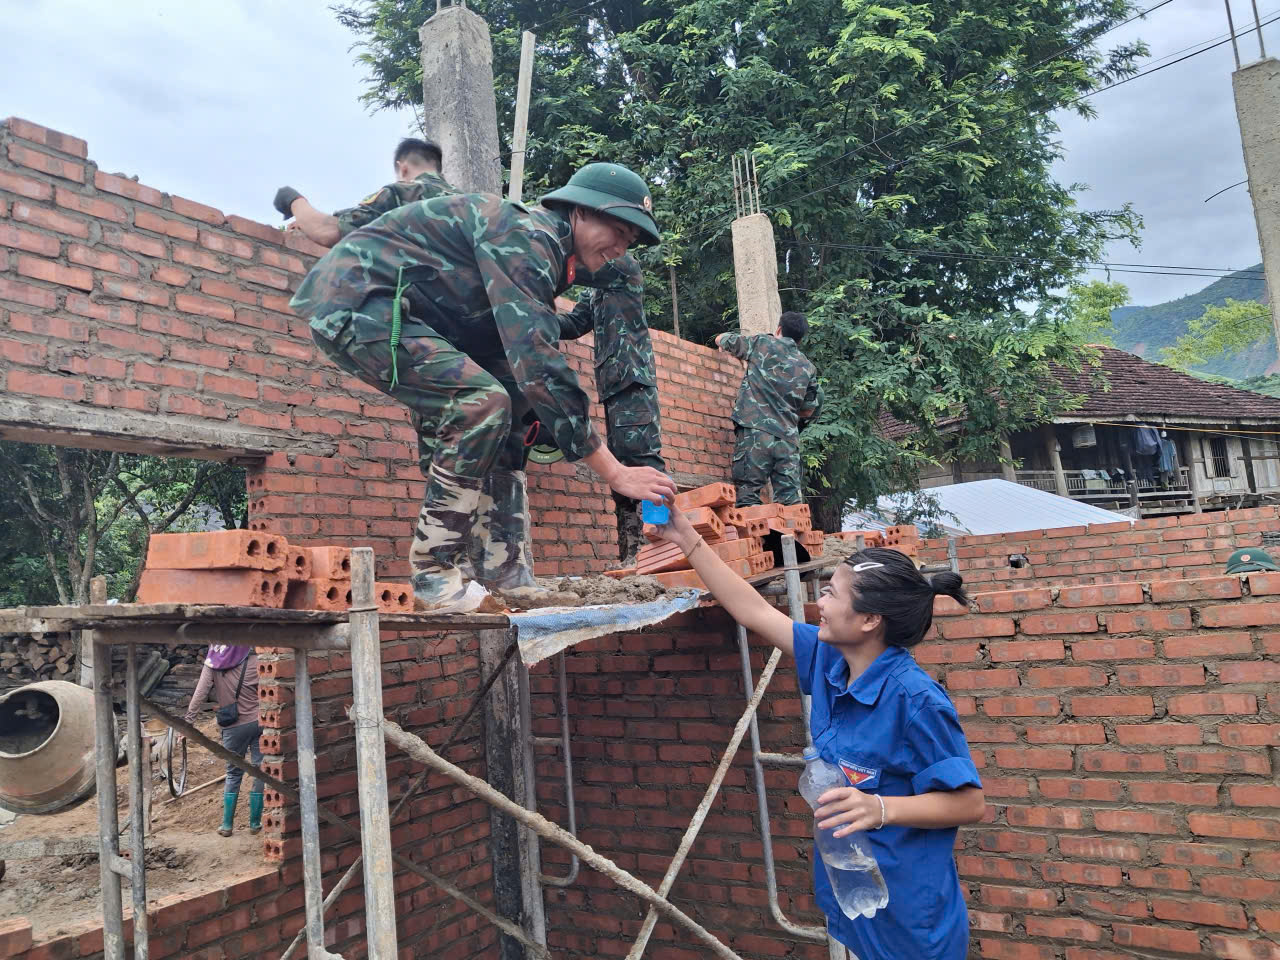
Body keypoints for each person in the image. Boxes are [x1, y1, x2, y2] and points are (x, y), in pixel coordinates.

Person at [289, 162, 677, 611]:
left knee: (510, 408)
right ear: (581, 211)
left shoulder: (552, 252)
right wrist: (616, 471)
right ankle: (433, 575)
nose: (621, 248)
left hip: (427, 320)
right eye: (619, 231)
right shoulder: (526, 234)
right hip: (359, 302)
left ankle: (504, 573)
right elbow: (539, 364)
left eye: (631, 241)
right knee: (480, 402)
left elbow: (534, 353)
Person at [650, 507, 984, 959]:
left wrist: (878, 807)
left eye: (831, 594)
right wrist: (685, 535)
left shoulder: (916, 701)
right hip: (854, 895)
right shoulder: (831, 663)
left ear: (869, 621)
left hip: (910, 919)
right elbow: (751, 609)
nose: (820, 604)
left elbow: (968, 802)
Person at [556, 256, 665, 566]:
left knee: (645, 461)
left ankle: (661, 541)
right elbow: (576, 324)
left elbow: (575, 270)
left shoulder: (622, 268)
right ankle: (633, 553)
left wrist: (536, 270)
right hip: (613, 387)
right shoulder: (595, 292)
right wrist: (538, 321)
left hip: (634, 381)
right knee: (622, 471)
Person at [715, 311, 824, 507]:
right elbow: (809, 410)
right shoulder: (808, 367)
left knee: (748, 495)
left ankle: (757, 537)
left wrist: (721, 340)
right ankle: (790, 538)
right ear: (800, 339)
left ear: (779, 329)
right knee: (790, 504)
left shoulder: (762, 343)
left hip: (756, 433)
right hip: (787, 441)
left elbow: (723, 339)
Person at [272, 138, 457, 248]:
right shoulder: (472, 204)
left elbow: (327, 231)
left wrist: (292, 199)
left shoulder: (401, 193)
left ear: (403, 169)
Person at [182, 644, 263, 838]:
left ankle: (227, 825)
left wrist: (188, 723)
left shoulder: (212, 663)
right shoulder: (254, 660)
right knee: (260, 770)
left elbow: (200, 693)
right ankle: (255, 823)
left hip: (233, 727)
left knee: (233, 773)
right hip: (259, 722)